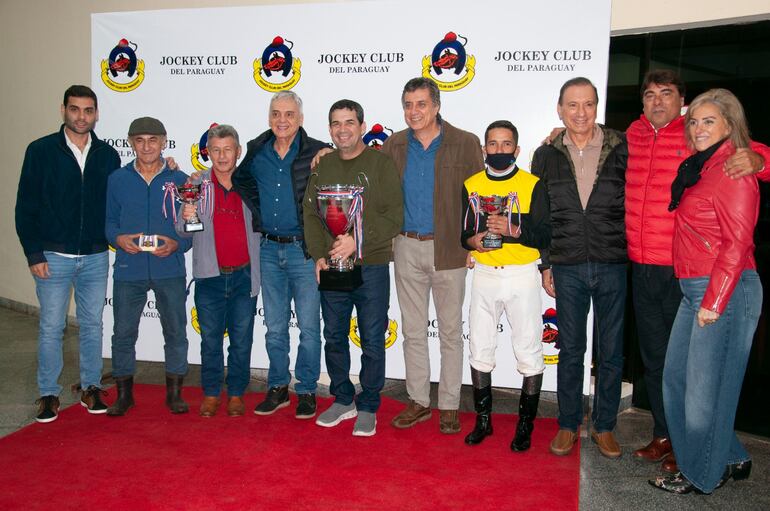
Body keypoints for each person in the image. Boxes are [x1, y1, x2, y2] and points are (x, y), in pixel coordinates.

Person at [626, 69, 770, 472]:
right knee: (662, 367)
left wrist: (759, 159)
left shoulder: (702, 142)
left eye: (666, 94)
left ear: (681, 102)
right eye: (650, 95)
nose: (657, 102)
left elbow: (752, 158)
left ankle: (694, 454)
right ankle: (669, 436)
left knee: (698, 381)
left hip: (689, 274)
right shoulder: (632, 136)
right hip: (644, 266)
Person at [531, 77, 628, 458]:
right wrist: (545, 264)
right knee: (570, 349)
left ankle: (604, 426)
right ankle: (568, 424)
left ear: (596, 107)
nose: (581, 113)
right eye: (572, 105)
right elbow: (541, 215)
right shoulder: (546, 154)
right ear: (560, 109)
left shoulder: (622, 147)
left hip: (612, 261)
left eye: (588, 104)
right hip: (566, 263)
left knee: (611, 351)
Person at [382, 77, 484, 434]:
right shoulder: (393, 145)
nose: (414, 111)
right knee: (412, 330)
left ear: (437, 106)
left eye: (421, 104)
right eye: (408, 104)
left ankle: (451, 405)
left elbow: (478, 199)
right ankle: (418, 401)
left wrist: (474, 244)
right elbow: (374, 187)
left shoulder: (465, 143)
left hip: (450, 247)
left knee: (451, 331)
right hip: (406, 245)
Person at [15, 85, 120, 422]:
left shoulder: (107, 155)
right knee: (51, 327)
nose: (81, 117)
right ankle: (48, 393)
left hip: (94, 255)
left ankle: (90, 387)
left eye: (88, 110)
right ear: (64, 111)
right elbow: (25, 207)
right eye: (75, 109)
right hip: (53, 256)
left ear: (96, 114)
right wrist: (35, 254)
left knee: (92, 324)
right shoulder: (41, 151)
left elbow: (116, 202)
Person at [303, 99, 403, 436]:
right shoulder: (324, 166)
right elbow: (311, 215)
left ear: (362, 125)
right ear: (329, 129)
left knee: (373, 338)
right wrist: (319, 254)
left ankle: (370, 403)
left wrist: (356, 240)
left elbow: (394, 215)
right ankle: (343, 398)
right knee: (333, 335)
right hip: (333, 264)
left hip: (370, 264)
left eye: (349, 122)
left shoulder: (381, 164)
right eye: (335, 123)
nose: (342, 129)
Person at [232, 91, 329, 419]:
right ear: (269, 118)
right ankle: (277, 386)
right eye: (276, 114)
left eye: (289, 114)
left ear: (300, 119)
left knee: (308, 327)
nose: (282, 120)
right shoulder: (258, 152)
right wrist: (259, 212)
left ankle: (305, 390)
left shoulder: (317, 152)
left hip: (304, 251)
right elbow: (239, 180)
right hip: (269, 250)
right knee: (274, 326)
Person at [461, 121, 550, 451]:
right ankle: (483, 421)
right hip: (484, 274)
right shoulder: (472, 184)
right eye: (493, 145)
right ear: (485, 149)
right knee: (480, 348)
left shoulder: (532, 185)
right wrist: (474, 241)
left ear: (517, 149)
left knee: (528, 350)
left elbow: (544, 235)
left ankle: (525, 426)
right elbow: (463, 233)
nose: (500, 150)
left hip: (521, 275)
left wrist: (515, 230)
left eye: (506, 144)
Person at [105, 117, 192, 416]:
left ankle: (175, 394)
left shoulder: (179, 180)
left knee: (176, 332)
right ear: (130, 143)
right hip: (129, 269)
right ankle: (124, 395)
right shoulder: (117, 179)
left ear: (164, 142)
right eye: (139, 140)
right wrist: (118, 238)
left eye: (152, 140)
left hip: (170, 268)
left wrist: (177, 245)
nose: (146, 146)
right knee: (123, 333)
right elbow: (108, 223)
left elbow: (191, 227)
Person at [177, 125, 260, 417]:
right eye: (216, 150)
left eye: (228, 149)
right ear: (207, 152)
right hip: (209, 277)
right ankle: (212, 393)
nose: (222, 156)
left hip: (245, 274)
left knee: (242, 338)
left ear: (238, 152)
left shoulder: (251, 183)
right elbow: (182, 231)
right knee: (210, 338)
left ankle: (236, 393)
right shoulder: (196, 184)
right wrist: (187, 216)